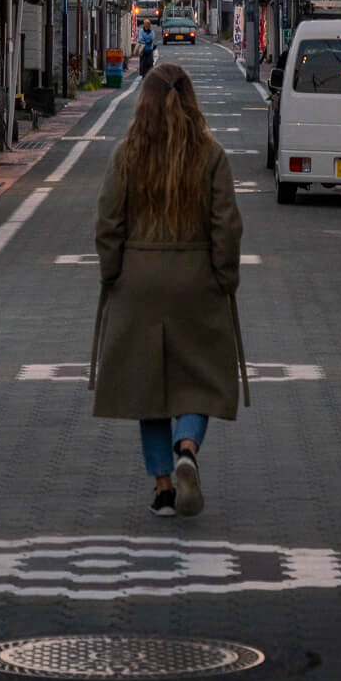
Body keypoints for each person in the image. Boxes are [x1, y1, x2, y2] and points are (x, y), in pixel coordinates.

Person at [89, 62, 249, 517]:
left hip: (138, 281)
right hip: (196, 279)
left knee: (148, 385)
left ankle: (162, 488)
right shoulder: (212, 155)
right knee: (199, 378)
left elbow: (108, 222)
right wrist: (225, 276)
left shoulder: (127, 154)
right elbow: (227, 225)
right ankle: (187, 449)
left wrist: (112, 273)